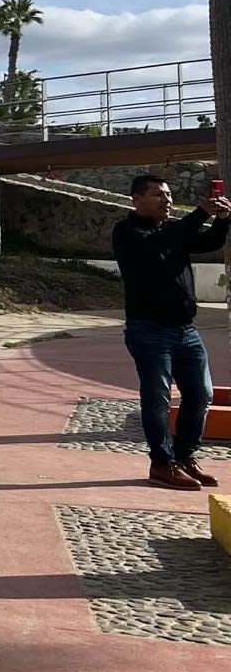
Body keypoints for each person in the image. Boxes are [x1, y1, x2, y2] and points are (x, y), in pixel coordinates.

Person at [111, 173, 230, 491]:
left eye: (169, 194)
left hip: (186, 330)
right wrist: (201, 212)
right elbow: (158, 244)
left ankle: (185, 457)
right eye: (159, 195)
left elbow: (209, 243)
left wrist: (222, 220)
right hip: (149, 330)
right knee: (157, 398)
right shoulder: (127, 232)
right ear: (137, 199)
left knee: (201, 393)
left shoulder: (173, 231)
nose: (167, 200)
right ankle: (162, 464)